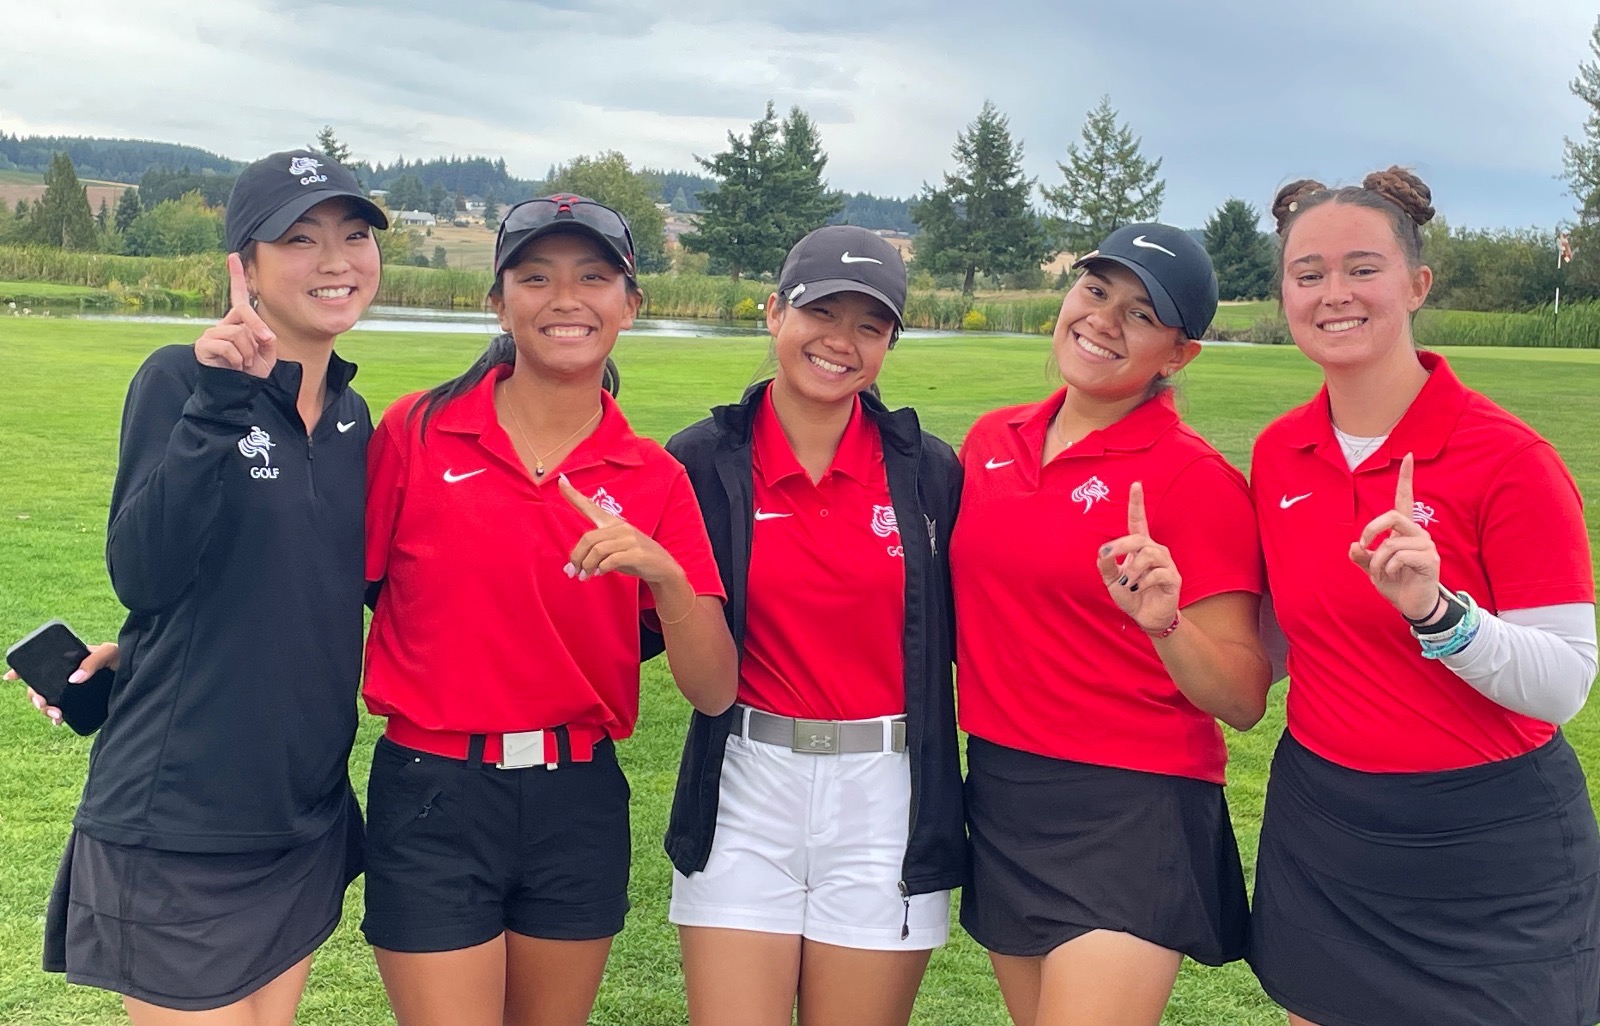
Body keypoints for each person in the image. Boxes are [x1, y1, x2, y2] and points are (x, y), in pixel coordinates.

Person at [360, 194, 738, 1026]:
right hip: (432, 790)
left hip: (578, 799)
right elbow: (322, 590)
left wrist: (667, 577)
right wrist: (156, 650)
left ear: (630, 305)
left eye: (594, 278)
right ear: (498, 300)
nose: (565, 299)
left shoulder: (654, 478)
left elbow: (713, 692)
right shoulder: (419, 432)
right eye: (536, 277)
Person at [33, 149, 387, 1024]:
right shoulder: (181, 379)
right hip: (184, 821)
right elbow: (143, 573)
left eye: (353, 235)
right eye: (299, 239)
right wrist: (222, 399)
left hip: (301, 814)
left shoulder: (350, 416)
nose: (336, 260)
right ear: (247, 266)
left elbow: (311, 587)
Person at [1247, 168, 1600, 1026]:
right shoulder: (1277, 454)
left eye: (1363, 268)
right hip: (1326, 826)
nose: (1335, 294)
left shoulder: (1509, 459)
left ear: (1416, 283)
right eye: (1308, 274)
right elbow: (1281, 642)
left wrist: (1441, 613)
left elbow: (1565, 685)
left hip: (1486, 843)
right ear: (1285, 292)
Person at [950, 224, 1270, 1026]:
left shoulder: (1194, 478)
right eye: (1096, 291)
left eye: (1139, 314)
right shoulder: (993, 441)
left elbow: (1242, 694)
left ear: (1176, 354)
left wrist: (1167, 627)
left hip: (1133, 806)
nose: (1102, 321)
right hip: (1002, 788)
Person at [647, 225, 965, 1026]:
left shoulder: (929, 470)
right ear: (774, 312)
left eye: (871, 324)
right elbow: (629, 630)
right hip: (746, 783)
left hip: (885, 793)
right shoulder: (700, 460)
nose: (842, 342)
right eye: (823, 312)